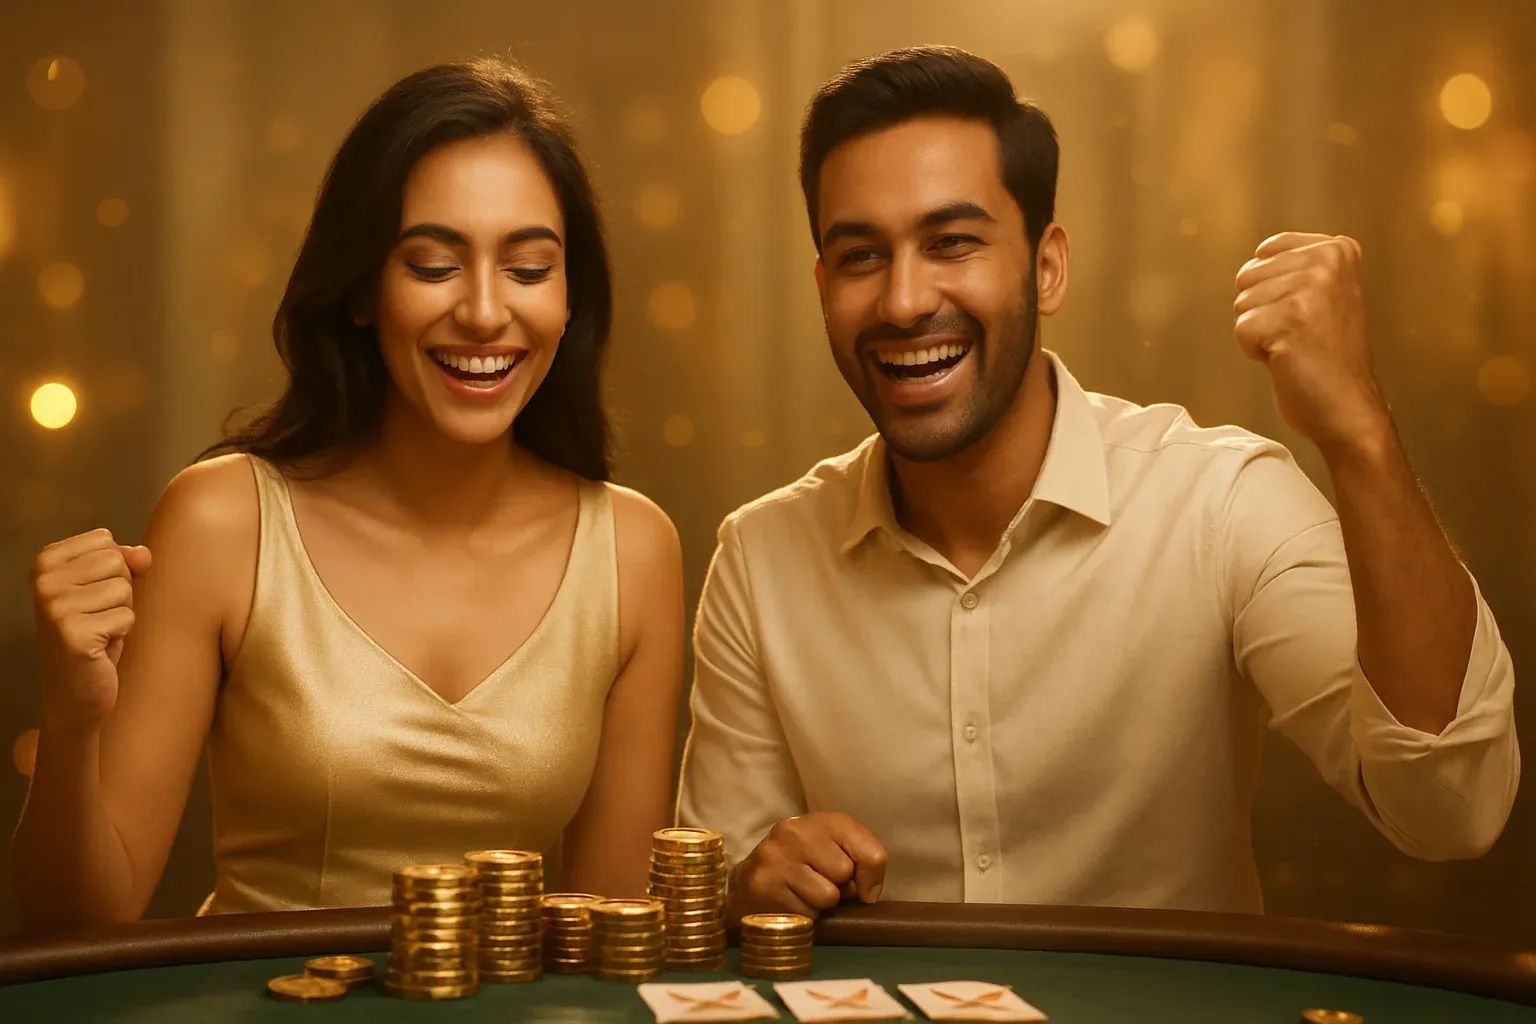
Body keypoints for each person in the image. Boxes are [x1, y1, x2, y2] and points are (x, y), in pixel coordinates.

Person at [676, 46, 1518, 920]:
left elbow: (1451, 805)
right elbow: (717, 904)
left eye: (952, 243)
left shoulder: (1217, 502)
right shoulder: (760, 556)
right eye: (860, 257)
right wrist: (748, 888)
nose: (902, 301)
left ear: (1047, 267)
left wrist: (1360, 435)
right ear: (822, 287)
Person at [15, 57, 684, 927]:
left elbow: (607, 936)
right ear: (365, 287)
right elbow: (78, 930)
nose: (485, 313)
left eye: (527, 270)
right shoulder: (223, 520)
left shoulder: (634, 549)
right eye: (434, 265)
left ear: (569, 302)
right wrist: (72, 720)